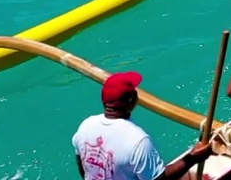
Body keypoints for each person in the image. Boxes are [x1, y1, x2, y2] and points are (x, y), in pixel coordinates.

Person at [72, 71, 213, 180]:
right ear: (132, 100)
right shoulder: (138, 140)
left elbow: (82, 166)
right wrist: (192, 158)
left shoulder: (85, 126)